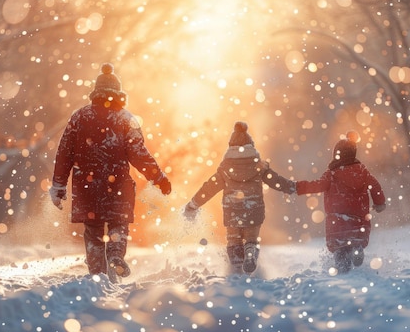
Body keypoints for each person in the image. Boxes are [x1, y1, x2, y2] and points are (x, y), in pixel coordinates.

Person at [49, 63, 171, 282]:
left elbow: (64, 153)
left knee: (93, 230)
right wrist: (158, 177)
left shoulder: (79, 117)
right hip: (118, 184)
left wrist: (58, 185)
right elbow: (139, 154)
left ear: (96, 91)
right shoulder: (126, 119)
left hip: (87, 185)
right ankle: (115, 255)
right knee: (118, 223)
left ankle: (97, 275)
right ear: (119, 91)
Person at [183, 122, 295, 275]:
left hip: (232, 210)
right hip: (253, 208)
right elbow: (275, 180)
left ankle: (236, 267)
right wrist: (290, 187)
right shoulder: (259, 166)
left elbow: (209, 188)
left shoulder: (225, 169)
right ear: (251, 145)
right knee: (251, 238)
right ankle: (250, 251)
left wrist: (194, 204)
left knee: (234, 239)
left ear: (231, 147)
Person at [295, 131, 385, 273]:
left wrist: (298, 187)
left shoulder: (331, 174)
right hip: (359, 221)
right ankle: (357, 249)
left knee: (340, 251)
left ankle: (344, 276)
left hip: (337, 223)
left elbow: (316, 185)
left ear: (336, 154)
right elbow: (375, 186)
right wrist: (379, 202)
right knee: (356, 239)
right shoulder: (362, 171)